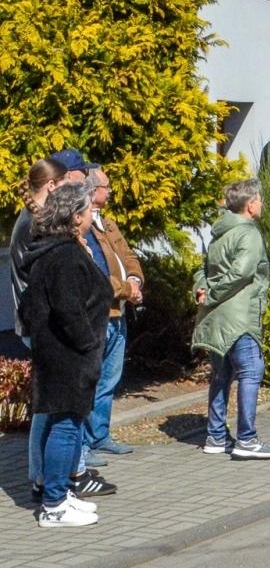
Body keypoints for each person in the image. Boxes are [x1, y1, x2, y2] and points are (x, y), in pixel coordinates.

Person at [21, 183, 112, 527]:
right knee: (66, 427)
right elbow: (68, 309)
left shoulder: (61, 251)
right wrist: (89, 345)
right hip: (68, 354)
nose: (93, 215)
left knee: (68, 424)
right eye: (89, 210)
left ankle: (63, 493)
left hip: (63, 352)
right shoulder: (63, 256)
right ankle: (54, 504)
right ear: (76, 217)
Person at [192, 179, 270, 458]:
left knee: (221, 375)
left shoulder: (219, 233)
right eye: (259, 200)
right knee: (250, 372)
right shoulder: (248, 233)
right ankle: (247, 439)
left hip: (218, 316)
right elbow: (241, 273)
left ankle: (216, 436)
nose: (261, 204)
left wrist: (203, 290)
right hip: (240, 316)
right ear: (250, 205)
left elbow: (202, 269)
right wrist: (212, 291)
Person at [82, 166, 144, 456]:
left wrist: (134, 280)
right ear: (94, 191)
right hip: (98, 315)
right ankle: (83, 443)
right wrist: (125, 289)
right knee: (90, 380)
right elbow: (95, 274)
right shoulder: (81, 230)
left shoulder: (108, 224)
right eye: (106, 187)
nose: (110, 192)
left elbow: (129, 257)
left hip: (119, 312)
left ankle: (100, 435)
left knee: (110, 378)